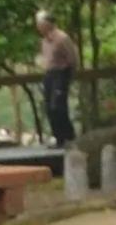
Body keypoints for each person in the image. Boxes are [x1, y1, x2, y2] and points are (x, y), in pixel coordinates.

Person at [32, 10, 80, 149]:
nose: (39, 27)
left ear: (48, 23)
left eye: (40, 24)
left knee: (58, 105)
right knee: (49, 107)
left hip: (61, 73)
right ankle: (58, 137)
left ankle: (69, 136)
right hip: (49, 74)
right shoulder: (44, 41)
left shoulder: (62, 38)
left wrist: (69, 74)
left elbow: (72, 58)